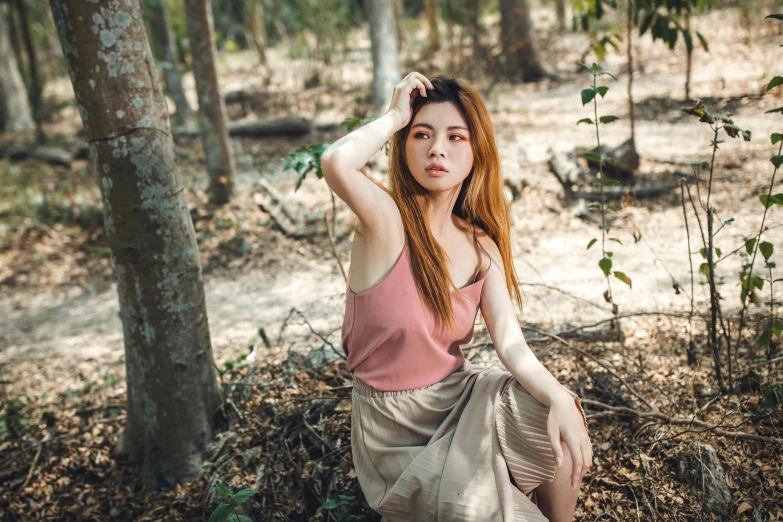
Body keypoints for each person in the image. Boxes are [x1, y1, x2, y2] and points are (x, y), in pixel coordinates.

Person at [320, 72, 592, 522]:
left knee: (556, 418)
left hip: (462, 398)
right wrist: (393, 116)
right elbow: (336, 162)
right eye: (421, 134)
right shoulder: (385, 223)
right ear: (402, 146)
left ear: (476, 151)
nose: (437, 149)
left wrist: (561, 397)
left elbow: (510, 344)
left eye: (455, 136)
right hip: (395, 431)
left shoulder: (482, 243)